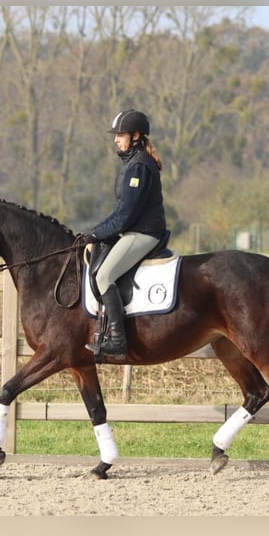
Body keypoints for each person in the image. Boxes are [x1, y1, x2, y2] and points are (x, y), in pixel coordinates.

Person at [81, 109, 168, 358]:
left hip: (144, 233)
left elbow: (126, 214)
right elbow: (121, 211)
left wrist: (96, 234)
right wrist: (96, 232)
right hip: (134, 230)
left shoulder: (139, 166)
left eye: (120, 135)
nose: (116, 140)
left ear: (136, 135)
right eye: (116, 135)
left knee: (104, 276)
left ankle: (118, 340)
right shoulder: (132, 163)